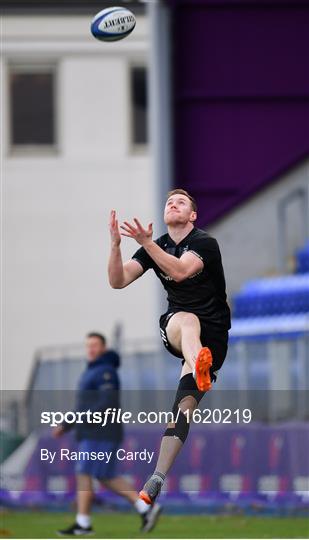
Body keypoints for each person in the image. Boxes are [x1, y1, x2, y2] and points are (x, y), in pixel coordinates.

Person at [108, 188, 231, 504]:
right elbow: (118, 280)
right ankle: (197, 364)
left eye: (181, 201)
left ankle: (155, 479)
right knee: (187, 319)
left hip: (214, 335)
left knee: (182, 411)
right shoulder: (156, 246)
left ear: (192, 215)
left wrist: (146, 243)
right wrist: (115, 246)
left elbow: (179, 271)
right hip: (179, 326)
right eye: (168, 201)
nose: (173, 203)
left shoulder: (205, 243)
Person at [54, 332, 161, 536]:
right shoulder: (92, 371)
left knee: (86, 472)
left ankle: (84, 523)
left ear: (103, 348)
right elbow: (83, 406)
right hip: (91, 433)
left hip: (101, 432)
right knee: (104, 475)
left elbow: (106, 403)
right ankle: (145, 508)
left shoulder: (105, 372)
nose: (91, 349)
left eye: (95, 345)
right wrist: (66, 424)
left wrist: (80, 420)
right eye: (88, 345)